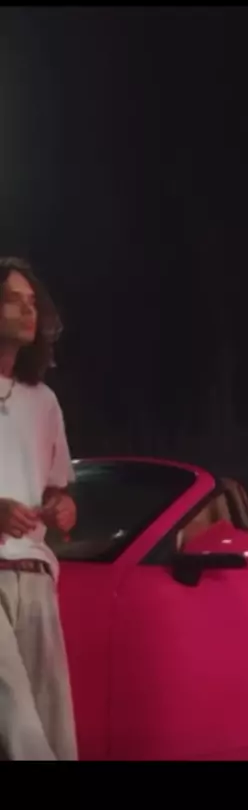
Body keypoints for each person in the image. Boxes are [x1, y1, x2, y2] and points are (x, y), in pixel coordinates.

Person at [0, 257, 78, 761]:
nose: (28, 311)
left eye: (33, 302)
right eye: (13, 300)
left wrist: (63, 507)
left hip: (35, 574)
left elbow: (58, 489)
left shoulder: (43, 400)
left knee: (54, 725)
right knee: (19, 724)